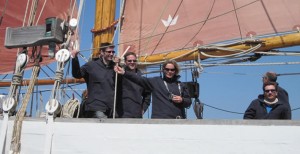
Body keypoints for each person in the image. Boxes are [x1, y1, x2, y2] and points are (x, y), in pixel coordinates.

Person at [115, 59, 192, 119]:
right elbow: (139, 79)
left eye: (172, 70)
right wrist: (124, 73)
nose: (169, 71)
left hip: (177, 120)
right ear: (163, 70)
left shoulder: (180, 85)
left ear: (175, 71)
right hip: (159, 121)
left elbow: (188, 102)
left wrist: (182, 100)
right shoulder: (156, 82)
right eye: (167, 69)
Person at [71, 42, 121, 118]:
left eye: (113, 52)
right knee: (103, 124)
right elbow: (77, 74)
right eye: (109, 52)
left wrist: (119, 65)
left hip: (111, 108)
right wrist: (75, 58)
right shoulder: (91, 65)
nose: (111, 54)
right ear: (102, 52)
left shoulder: (115, 67)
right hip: (97, 107)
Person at [118, 52, 151, 118]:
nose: (132, 62)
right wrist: (115, 63)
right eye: (129, 61)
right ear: (125, 62)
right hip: (121, 113)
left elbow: (147, 96)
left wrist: (143, 109)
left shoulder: (142, 79)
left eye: (134, 60)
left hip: (136, 114)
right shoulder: (118, 76)